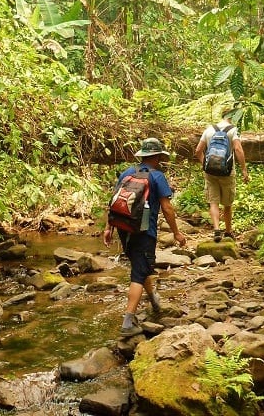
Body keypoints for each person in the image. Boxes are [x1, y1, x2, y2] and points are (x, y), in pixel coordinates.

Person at [103, 138, 186, 337]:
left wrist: (108, 228)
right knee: (139, 274)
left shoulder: (127, 173)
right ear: (157, 157)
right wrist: (176, 232)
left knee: (140, 266)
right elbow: (167, 208)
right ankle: (128, 322)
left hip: (124, 227)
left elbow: (113, 202)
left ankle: (154, 299)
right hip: (144, 231)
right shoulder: (157, 176)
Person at [194, 108, 249, 242]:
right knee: (227, 203)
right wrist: (244, 169)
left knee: (213, 202)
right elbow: (238, 149)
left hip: (210, 172)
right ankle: (228, 232)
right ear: (232, 116)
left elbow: (198, 151)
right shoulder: (233, 130)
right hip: (227, 172)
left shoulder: (209, 129)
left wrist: (205, 165)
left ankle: (217, 229)